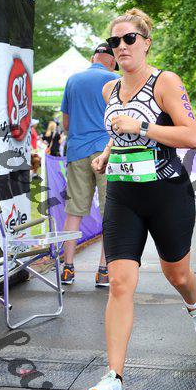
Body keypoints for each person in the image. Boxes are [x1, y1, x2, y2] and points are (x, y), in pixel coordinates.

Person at [86, 8, 196, 390]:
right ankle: (114, 378)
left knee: (177, 274)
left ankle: (194, 305)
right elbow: (118, 131)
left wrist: (142, 126)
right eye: (115, 41)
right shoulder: (109, 90)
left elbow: (191, 136)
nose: (121, 46)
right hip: (123, 194)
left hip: (167, 194)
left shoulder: (165, 82)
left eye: (129, 39)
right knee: (120, 283)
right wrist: (107, 153)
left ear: (145, 43)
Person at [60, 43, 119, 287]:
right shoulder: (115, 80)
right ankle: (103, 271)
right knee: (110, 212)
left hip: (77, 151)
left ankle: (67, 268)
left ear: (93, 58)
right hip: (106, 152)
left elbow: (65, 124)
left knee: (74, 211)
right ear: (112, 61)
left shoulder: (73, 80)